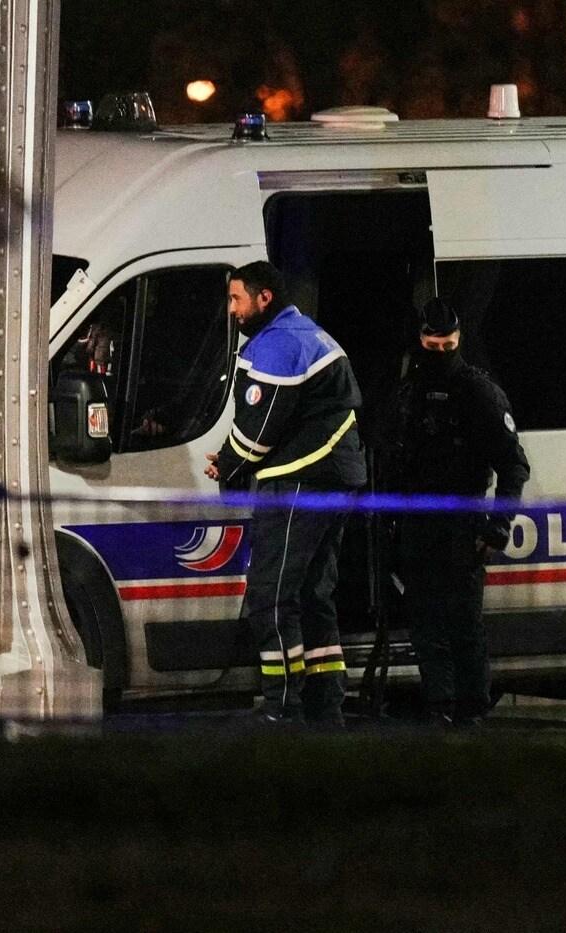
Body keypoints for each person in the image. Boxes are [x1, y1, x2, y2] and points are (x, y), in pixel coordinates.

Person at [205, 261, 366, 727]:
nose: (232, 310)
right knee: (314, 594)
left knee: (271, 597)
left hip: (302, 481)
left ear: (264, 298)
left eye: (237, 299)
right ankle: (325, 704)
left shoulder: (279, 344)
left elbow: (259, 430)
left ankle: (282, 707)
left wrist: (228, 463)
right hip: (331, 476)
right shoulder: (306, 332)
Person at [378, 297, 530, 726]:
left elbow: (513, 465)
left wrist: (497, 528)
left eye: (448, 345)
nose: (441, 352)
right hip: (416, 527)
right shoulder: (408, 393)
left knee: (463, 627)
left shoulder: (477, 391)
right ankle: (440, 709)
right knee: (427, 627)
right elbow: (391, 455)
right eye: (433, 344)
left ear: (459, 339)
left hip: (462, 527)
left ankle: (471, 712)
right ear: (421, 338)